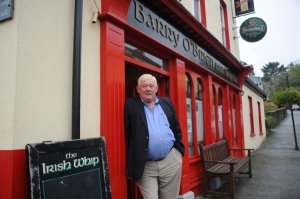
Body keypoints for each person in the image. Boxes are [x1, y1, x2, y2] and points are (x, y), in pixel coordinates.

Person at [124, 74, 185, 199]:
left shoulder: (167, 103)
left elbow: (176, 128)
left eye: (151, 86)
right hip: (146, 166)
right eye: (144, 86)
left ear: (156, 88)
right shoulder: (131, 105)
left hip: (170, 161)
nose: (148, 89)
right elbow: (127, 134)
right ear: (138, 89)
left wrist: (178, 152)